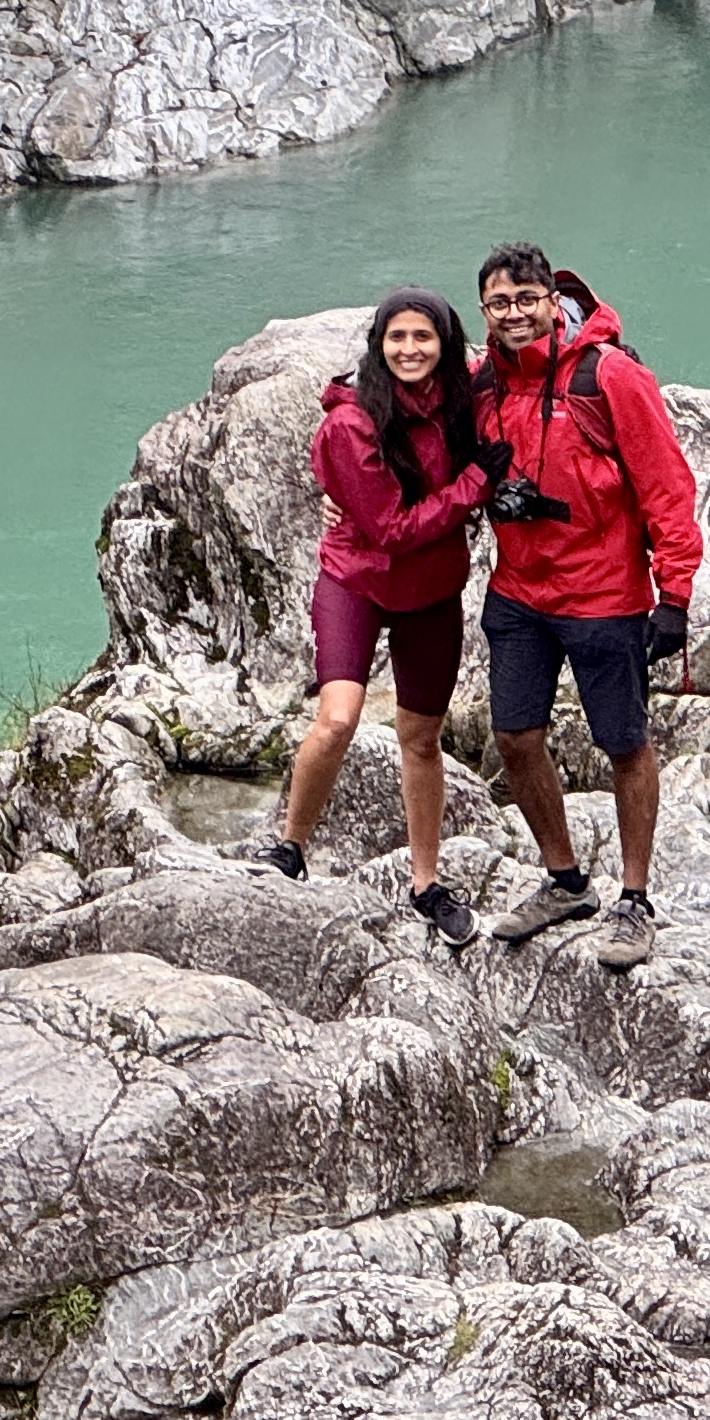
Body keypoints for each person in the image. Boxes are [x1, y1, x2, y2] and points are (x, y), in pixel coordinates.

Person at [466, 243, 702, 972]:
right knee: (514, 736)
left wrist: (676, 595)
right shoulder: (482, 386)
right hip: (519, 593)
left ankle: (635, 899)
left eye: (526, 299)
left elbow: (667, 485)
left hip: (605, 595)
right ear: (485, 311)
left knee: (623, 742)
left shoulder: (610, 377)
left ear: (552, 298)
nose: (514, 314)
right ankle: (565, 880)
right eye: (499, 303)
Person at [251, 290, 494, 944]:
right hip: (356, 578)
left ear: (445, 345)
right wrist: (476, 483)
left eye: (424, 338)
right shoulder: (351, 423)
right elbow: (388, 528)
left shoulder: (462, 400)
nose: (410, 350)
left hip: (433, 590)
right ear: (377, 346)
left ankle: (426, 882)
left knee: (420, 738)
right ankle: (290, 846)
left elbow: (525, 359)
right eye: (398, 339)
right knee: (337, 719)